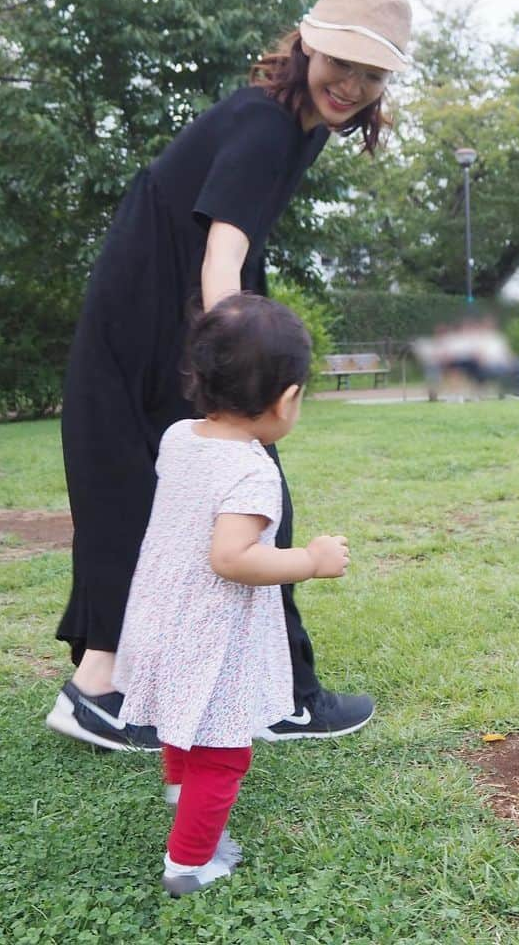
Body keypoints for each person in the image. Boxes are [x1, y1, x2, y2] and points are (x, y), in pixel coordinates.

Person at [46, 0, 412, 750]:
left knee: (166, 499)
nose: (351, 84)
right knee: (247, 489)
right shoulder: (267, 124)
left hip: (160, 316)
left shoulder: (300, 125)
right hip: (159, 322)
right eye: (340, 60)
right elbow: (223, 256)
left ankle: (104, 684)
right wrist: (232, 365)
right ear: (307, 42)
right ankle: (271, 696)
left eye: (371, 73)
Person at [114, 294, 350, 895]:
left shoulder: (177, 437)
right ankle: (189, 863)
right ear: (287, 399)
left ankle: (180, 792)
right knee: (223, 753)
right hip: (205, 630)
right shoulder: (252, 469)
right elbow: (232, 558)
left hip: (156, 612)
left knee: (181, 715)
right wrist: (311, 561)